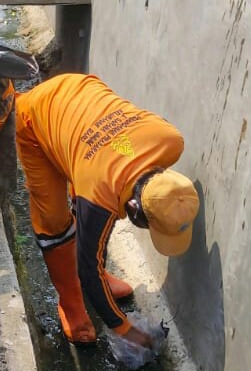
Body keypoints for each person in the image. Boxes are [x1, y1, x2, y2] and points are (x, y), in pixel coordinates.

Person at [15, 73, 199, 354]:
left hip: (84, 96)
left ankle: (98, 282)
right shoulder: (99, 197)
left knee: (86, 178)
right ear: (134, 209)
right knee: (53, 220)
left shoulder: (171, 140)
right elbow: (87, 266)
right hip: (35, 115)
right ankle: (71, 303)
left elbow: (123, 150)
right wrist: (127, 330)